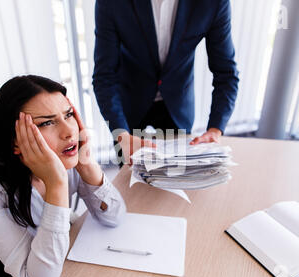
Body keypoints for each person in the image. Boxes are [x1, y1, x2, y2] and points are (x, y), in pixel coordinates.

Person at [0, 75, 126, 277]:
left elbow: (113, 217)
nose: (69, 131)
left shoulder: (66, 152)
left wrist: (87, 164)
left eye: (68, 115)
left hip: (37, 232)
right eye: (47, 122)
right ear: (14, 139)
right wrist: (56, 183)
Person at [92, 0, 239, 165]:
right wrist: (121, 135)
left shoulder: (214, 3)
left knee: (179, 176)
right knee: (130, 180)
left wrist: (215, 129)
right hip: (129, 105)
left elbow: (226, 73)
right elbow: (104, 76)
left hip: (178, 104)